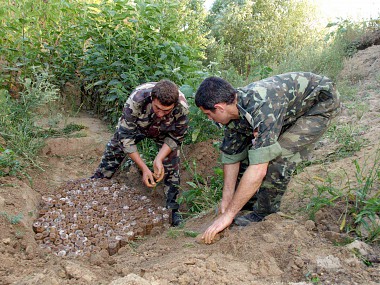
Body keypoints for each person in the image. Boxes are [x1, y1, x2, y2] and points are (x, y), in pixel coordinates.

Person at [194, 72, 341, 243]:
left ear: (219, 107)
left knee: (277, 156)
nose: (209, 118)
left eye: (208, 114)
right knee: (252, 153)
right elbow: (232, 156)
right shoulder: (232, 112)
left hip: (319, 104)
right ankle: (246, 206)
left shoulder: (262, 106)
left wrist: (229, 215)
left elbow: (259, 169)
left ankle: (264, 213)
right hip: (289, 108)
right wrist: (226, 204)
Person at [92, 79, 189, 226]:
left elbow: (176, 137)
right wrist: (144, 168)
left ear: (174, 106)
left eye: (166, 111)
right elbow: (125, 137)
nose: (161, 114)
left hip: (164, 131)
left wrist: (158, 159)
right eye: (157, 108)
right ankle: (97, 184)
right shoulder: (137, 99)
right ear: (152, 99)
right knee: (115, 148)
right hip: (138, 126)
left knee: (171, 162)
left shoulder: (182, 108)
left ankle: (173, 209)